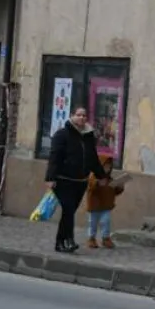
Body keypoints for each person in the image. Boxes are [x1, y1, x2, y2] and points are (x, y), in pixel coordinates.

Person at [45, 106, 109, 253]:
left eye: (84, 115)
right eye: (78, 115)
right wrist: (50, 177)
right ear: (72, 116)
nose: (82, 118)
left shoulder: (88, 136)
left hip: (80, 181)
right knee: (68, 209)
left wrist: (102, 176)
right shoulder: (62, 134)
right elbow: (54, 157)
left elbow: (93, 159)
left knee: (69, 212)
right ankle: (69, 240)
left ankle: (60, 242)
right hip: (63, 180)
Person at [85, 150, 124, 249]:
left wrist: (120, 187)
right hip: (94, 206)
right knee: (92, 223)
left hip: (106, 206)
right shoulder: (94, 176)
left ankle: (105, 238)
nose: (108, 168)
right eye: (106, 166)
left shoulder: (110, 179)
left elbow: (114, 192)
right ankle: (91, 238)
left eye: (109, 166)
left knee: (106, 221)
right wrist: (97, 183)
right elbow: (90, 187)